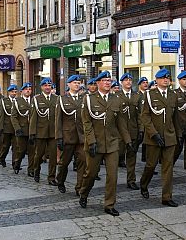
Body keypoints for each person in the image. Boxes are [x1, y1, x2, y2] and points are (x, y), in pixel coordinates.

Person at [79, 71, 131, 216]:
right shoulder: (89, 99)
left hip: (112, 143)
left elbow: (121, 122)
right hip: (95, 143)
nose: (108, 82)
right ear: (98, 83)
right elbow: (87, 123)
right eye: (105, 80)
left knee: (112, 175)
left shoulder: (116, 99)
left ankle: (109, 204)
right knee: (91, 173)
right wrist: (91, 141)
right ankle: (84, 193)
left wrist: (127, 140)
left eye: (109, 80)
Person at [140, 68, 182, 207]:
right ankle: (144, 184)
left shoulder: (173, 95)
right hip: (153, 137)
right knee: (151, 165)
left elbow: (175, 117)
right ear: (157, 80)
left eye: (168, 78)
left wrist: (179, 134)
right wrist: (154, 134)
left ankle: (166, 196)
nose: (166, 80)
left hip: (169, 136)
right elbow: (145, 116)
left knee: (168, 167)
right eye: (163, 78)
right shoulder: (149, 95)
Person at [55, 75, 86, 195]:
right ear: (68, 85)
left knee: (82, 161)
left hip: (81, 137)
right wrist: (59, 137)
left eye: (78, 83)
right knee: (64, 163)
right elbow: (58, 120)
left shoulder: (84, 98)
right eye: (74, 83)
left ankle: (79, 187)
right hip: (68, 137)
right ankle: (60, 181)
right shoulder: (62, 99)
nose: (77, 85)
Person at [29, 78, 58, 185]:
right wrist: (32, 133)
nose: (47, 87)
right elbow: (33, 117)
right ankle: (36, 171)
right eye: (45, 86)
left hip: (53, 132)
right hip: (40, 132)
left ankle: (51, 177)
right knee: (38, 155)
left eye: (49, 86)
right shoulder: (36, 99)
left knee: (53, 156)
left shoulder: (57, 98)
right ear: (41, 87)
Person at [117, 72, 143, 190]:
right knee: (116, 157)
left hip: (133, 131)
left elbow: (140, 115)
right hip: (119, 133)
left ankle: (131, 180)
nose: (128, 82)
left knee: (131, 157)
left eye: (130, 80)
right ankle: (112, 180)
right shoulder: (116, 96)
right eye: (126, 80)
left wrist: (141, 130)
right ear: (121, 82)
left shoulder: (137, 96)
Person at [11, 82, 34, 176]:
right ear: (22, 91)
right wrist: (17, 128)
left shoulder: (34, 101)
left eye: (29, 89)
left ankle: (31, 170)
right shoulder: (17, 101)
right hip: (21, 130)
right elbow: (13, 117)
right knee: (21, 150)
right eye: (26, 89)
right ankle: (17, 164)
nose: (28, 91)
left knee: (32, 151)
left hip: (32, 130)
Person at [0, 84, 18, 168]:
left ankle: (15, 163)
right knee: (5, 145)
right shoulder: (4, 101)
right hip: (6, 127)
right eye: (12, 92)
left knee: (16, 146)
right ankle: (2, 158)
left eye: (15, 92)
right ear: (9, 92)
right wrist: (0, 127)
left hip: (15, 128)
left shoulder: (17, 101)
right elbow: (1, 115)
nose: (14, 93)